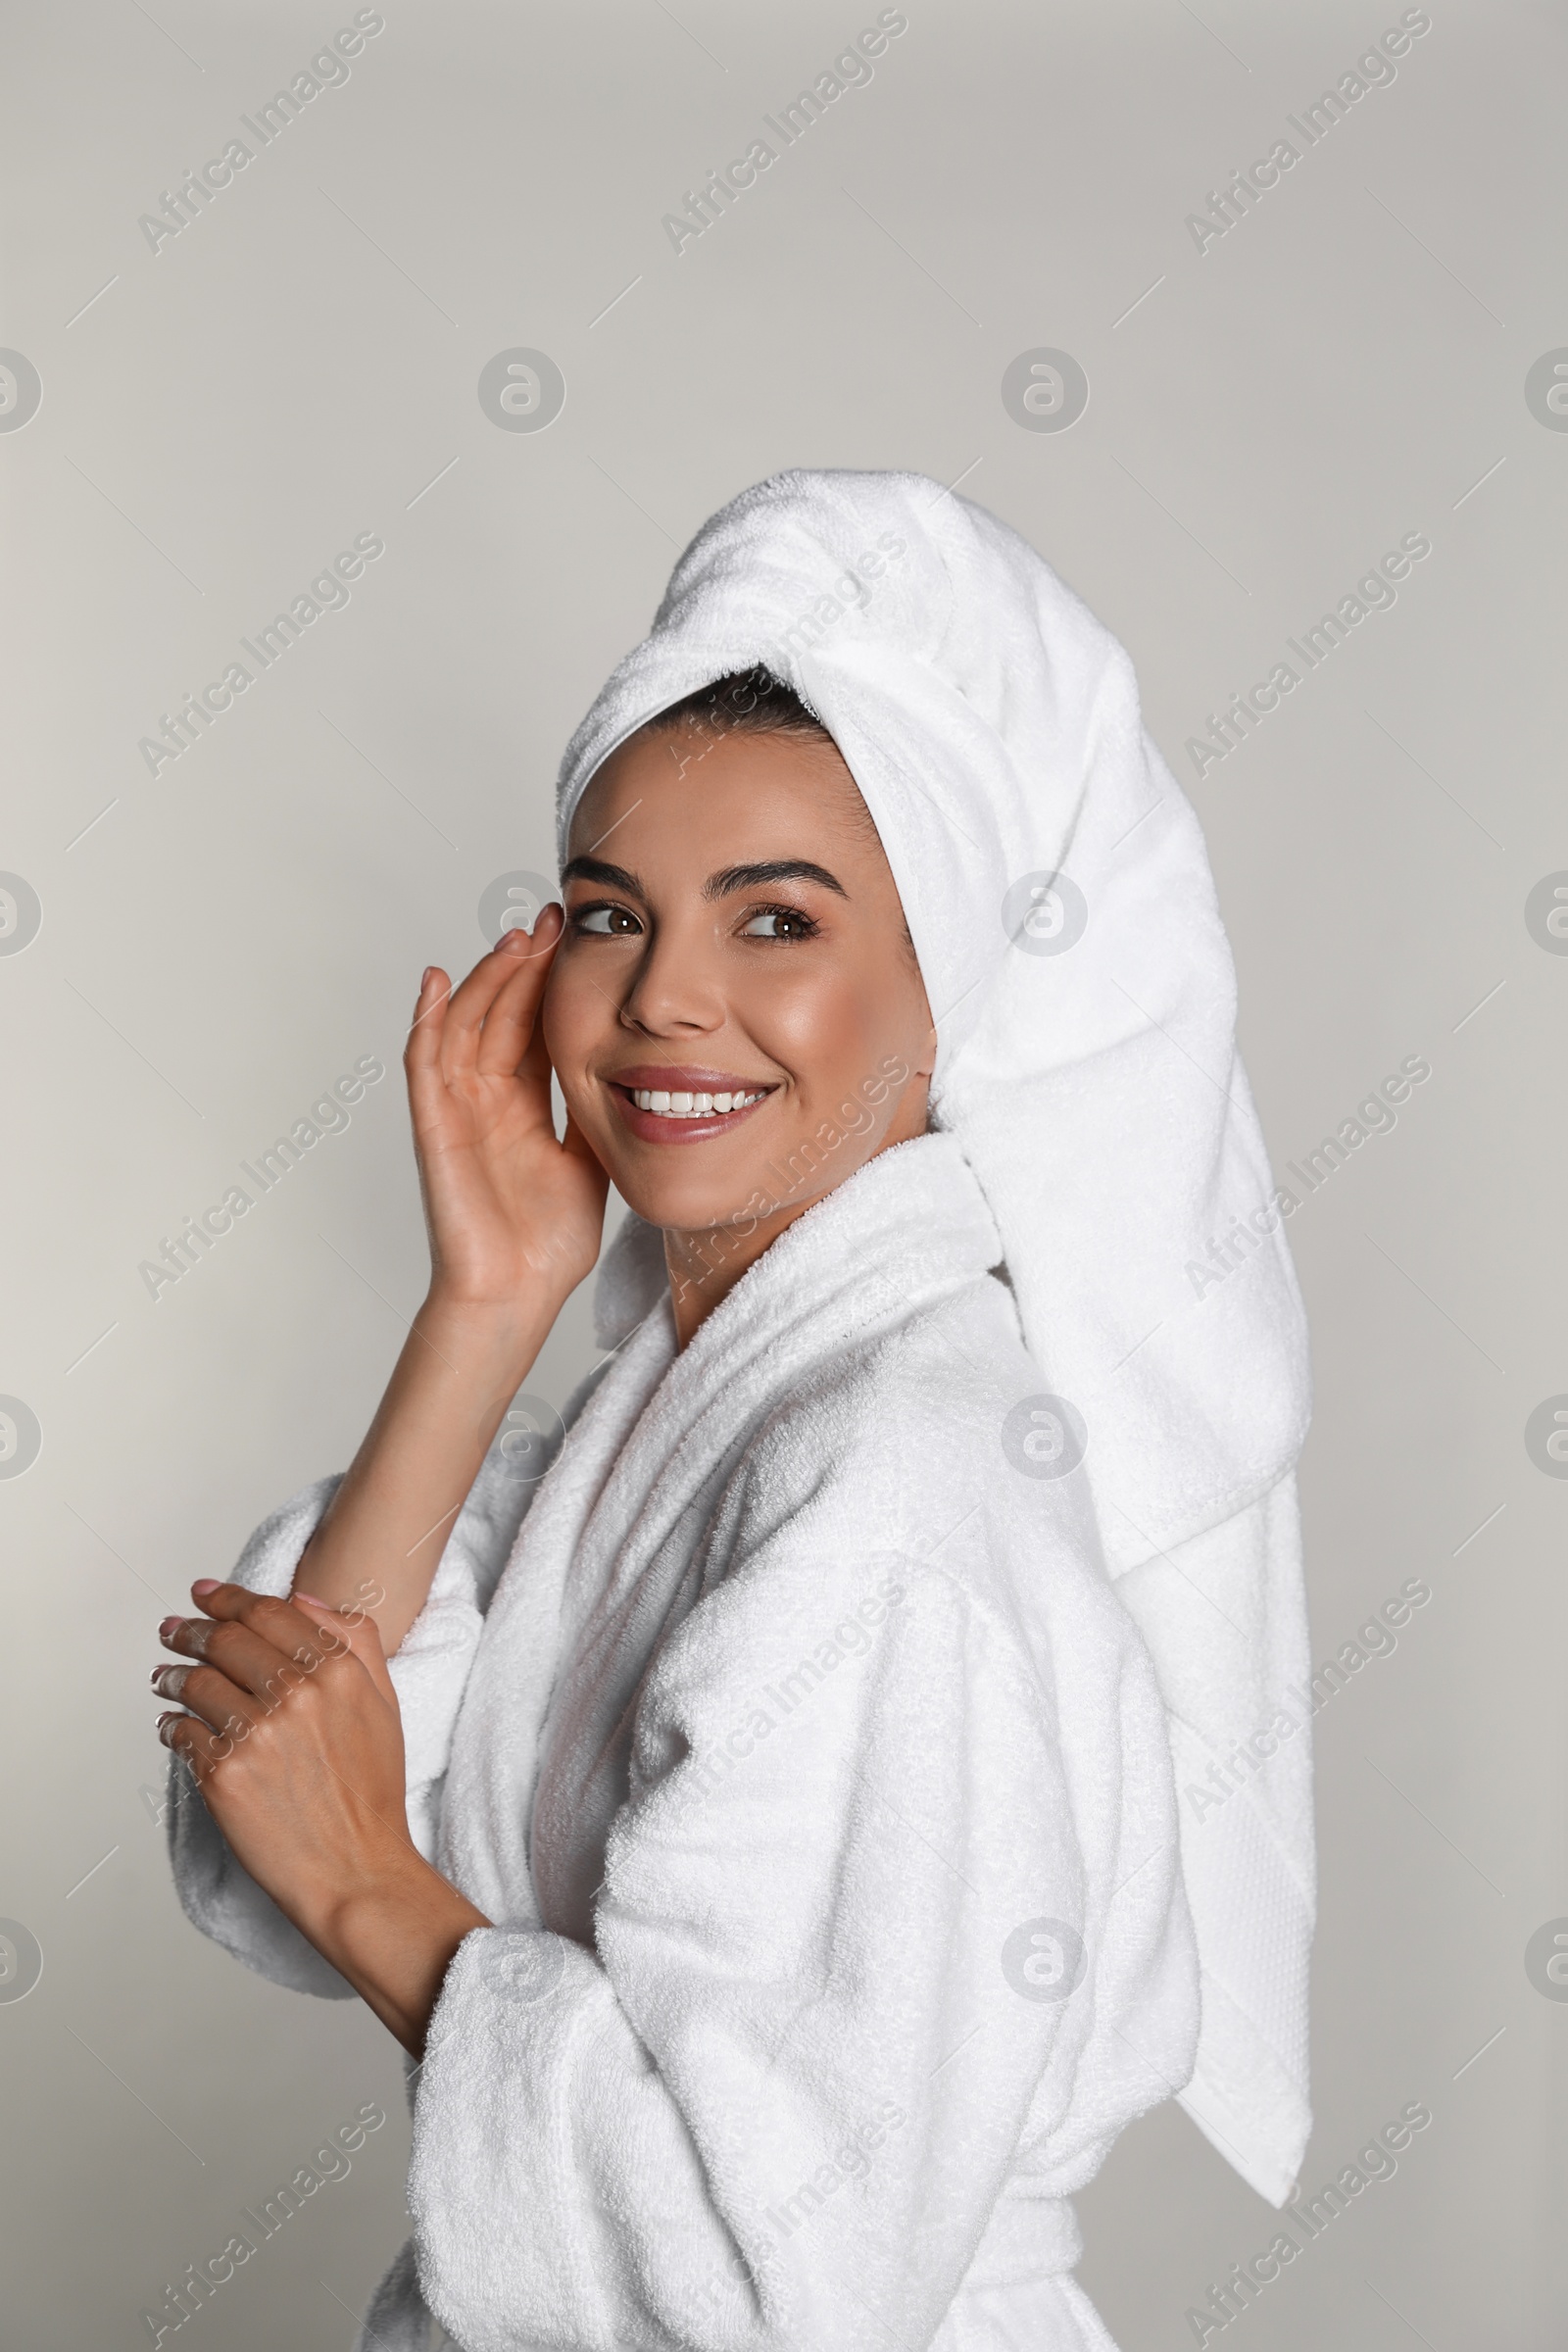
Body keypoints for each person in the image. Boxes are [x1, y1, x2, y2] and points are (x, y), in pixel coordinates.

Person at [156, 469, 1314, 2352]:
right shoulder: (690, 1424)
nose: (667, 1000)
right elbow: (257, 1825)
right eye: (612, 915)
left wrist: (375, 1879)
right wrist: (488, 1305)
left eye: (777, 923)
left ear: (949, 996)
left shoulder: (907, 1487)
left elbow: (775, 2274)